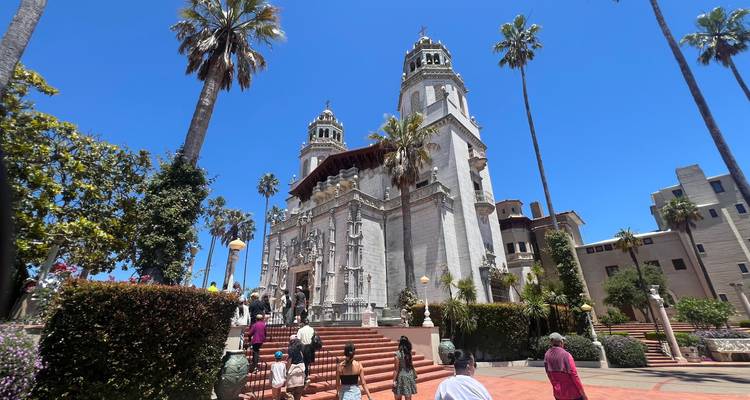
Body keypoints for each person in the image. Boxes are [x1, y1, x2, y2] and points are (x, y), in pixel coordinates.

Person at [544, 332, 588, 400]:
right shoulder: (566, 355)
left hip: (558, 393)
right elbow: (574, 375)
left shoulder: (547, 355)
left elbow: (549, 374)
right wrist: (583, 394)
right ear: (561, 342)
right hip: (572, 394)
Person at [393, 336, 417, 400]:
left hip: (400, 377)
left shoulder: (397, 354)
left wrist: (394, 381)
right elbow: (411, 365)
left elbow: (396, 369)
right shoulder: (409, 353)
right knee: (408, 397)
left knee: (398, 397)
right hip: (409, 375)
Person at [287, 336, 306, 400]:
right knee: (298, 393)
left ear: (291, 341)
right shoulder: (300, 348)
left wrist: (287, 370)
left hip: (293, 371)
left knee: (290, 393)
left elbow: (290, 360)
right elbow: (302, 357)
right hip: (301, 370)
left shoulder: (290, 348)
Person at [297, 319, 316, 383]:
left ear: (303, 323)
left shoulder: (300, 330)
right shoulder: (312, 329)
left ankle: (304, 377)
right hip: (310, 347)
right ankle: (305, 376)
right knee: (307, 363)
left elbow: (298, 340)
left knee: (303, 362)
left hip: (303, 347)